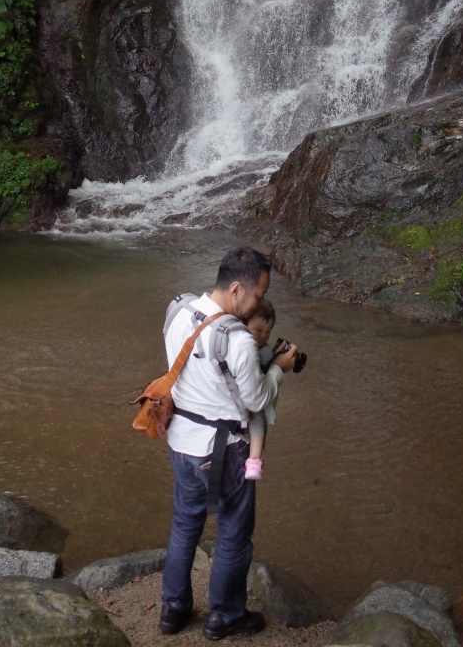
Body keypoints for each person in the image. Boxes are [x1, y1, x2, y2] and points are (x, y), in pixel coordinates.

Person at [160, 247, 299, 641]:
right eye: (257, 295)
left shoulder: (179, 310)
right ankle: (224, 616)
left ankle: (173, 609)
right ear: (237, 289)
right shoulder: (237, 339)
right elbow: (255, 400)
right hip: (223, 451)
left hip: (181, 442)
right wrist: (278, 369)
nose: (259, 303)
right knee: (233, 535)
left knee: (185, 526)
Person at [244, 299, 278, 480]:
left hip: (249, 398)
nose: (264, 336)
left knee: (257, 418)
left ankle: (254, 462)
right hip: (246, 400)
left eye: (268, 332)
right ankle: (254, 460)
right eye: (258, 330)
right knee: (257, 417)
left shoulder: (264, 351)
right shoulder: (243, 346)